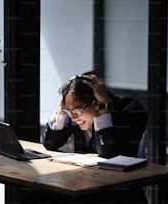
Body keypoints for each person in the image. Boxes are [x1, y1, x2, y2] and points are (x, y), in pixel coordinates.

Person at [38, 70, 148, 203]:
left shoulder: (131, 110)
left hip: (117, 193)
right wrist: (63, 104)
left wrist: (103, 110)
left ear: (96, 102)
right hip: (83, 186)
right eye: (69, 111)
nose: (72, 117)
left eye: (77, 111)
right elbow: (50, 143)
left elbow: (108, 155)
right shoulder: (76, 111)